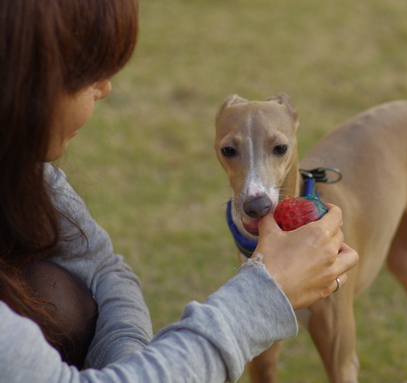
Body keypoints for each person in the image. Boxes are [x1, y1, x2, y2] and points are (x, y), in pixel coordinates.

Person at [0, 0, 359, 382]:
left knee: (55, 289)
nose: (106, 88)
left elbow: (105, 269)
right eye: (82, 73)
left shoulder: (26, 175)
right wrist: (264, 298)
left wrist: (129, 366)